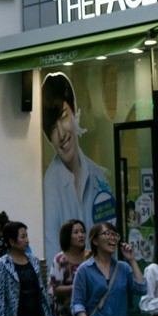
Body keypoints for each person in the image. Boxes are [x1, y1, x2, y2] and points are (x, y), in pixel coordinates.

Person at [42, 72, 116, 261]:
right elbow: (52, 252)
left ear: (74, 111)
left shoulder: (99, 175)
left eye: (64, 117)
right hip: (70, 283)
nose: (61, 133)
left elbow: (111, 234)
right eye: (52, 129)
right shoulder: (50, 184)